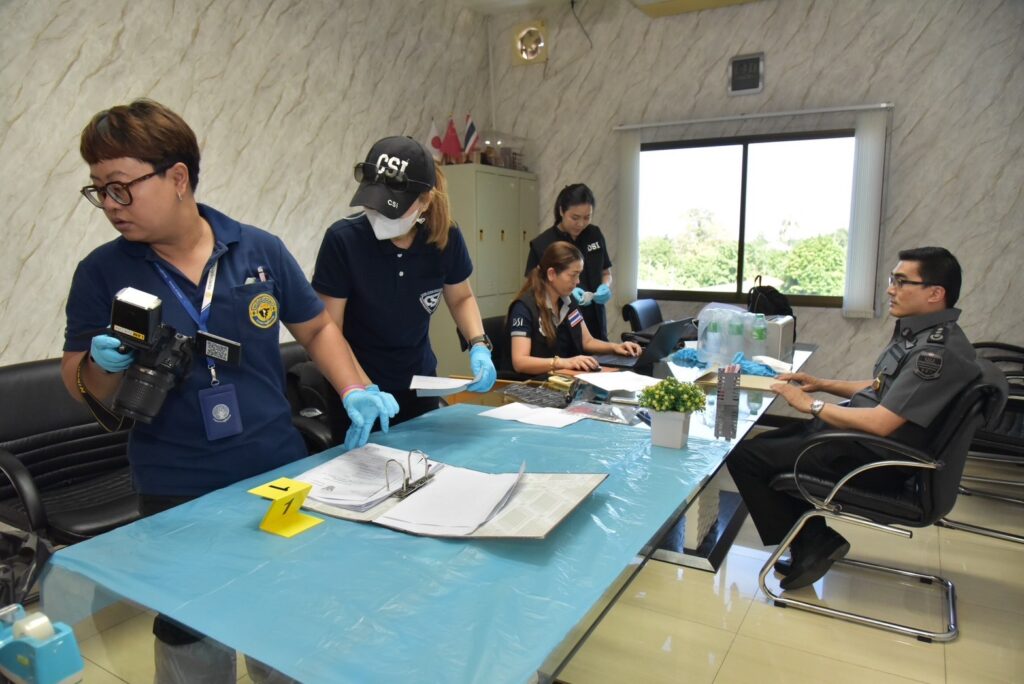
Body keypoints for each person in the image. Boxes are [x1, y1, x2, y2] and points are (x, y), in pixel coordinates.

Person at [63, 99, 397, 684]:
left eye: (121, 187)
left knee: (284, 615)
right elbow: (80, 383)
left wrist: (355, 388)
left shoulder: (259, 251)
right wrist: (99, 363)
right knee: (190, 632)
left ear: (177, 177)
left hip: (274, 470)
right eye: (99, 190)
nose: (110, 205)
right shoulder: (101, 272)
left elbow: (317, 328)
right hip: (174, 485)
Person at [726, 247, 980, 591]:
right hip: (862, 442)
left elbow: (882, 423)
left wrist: (812, 405)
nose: (890, 289)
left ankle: (814, 543)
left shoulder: (935, 354)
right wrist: (822, 383)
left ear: (935, 293)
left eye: (901, 282)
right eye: (892, 279)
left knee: (746, 457)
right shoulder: (927, 336)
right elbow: (883, 387)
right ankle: (810, 541)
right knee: (763, 446)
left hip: (875, 458)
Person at [312, 136, 497, 430]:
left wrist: (479, 344)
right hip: (358, 391)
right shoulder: (343, 241)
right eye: (374, 205)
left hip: (418, 383)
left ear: (425, 200)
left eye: (392, 209)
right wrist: (362, 387)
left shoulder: (444, 237)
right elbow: (328, 329)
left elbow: (461, 297)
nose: (379, 216)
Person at [509, 242, 641, 374]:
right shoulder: (523, 308)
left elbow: (587, 341)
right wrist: (563, 362)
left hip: (563, 377)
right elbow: (520, 362)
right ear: (551, 274)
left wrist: (615, 347)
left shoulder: (568, 301)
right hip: (534, 382)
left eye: (579, 275)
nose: (578, 281)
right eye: (573, 275)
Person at [524, 183, 613, 340]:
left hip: (595, 319)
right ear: (561, 211)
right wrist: (567, 292)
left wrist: (605, 286)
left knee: (598, 349)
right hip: (562, 322)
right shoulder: (543, 243)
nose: (581, 224)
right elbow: (534, 286)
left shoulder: (594, 234)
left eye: (587, 217)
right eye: (575, 218)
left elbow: (606, 272)